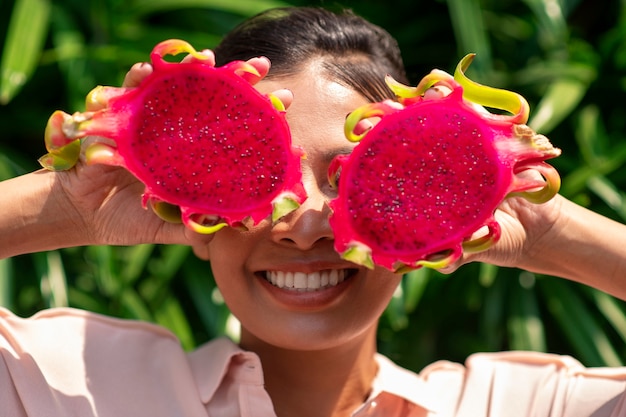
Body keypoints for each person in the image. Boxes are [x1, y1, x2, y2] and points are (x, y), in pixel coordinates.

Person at [1, 6, 626, 417]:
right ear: (187, 207)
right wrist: (70, 209)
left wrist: (540, 229)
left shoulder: (522, 405)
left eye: (352, 175)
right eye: (254, 171)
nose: (304, 225)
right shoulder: (66, 384)